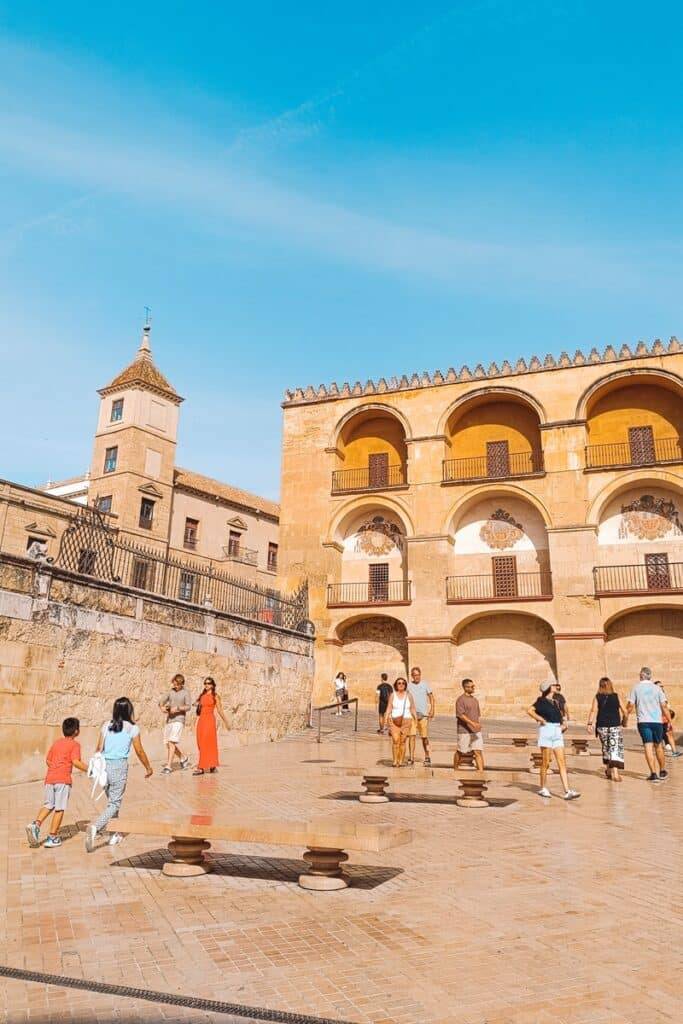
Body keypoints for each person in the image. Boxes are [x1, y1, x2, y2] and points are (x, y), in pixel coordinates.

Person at [85, 697, 153, 852]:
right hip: (119, 767)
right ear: (129, 710)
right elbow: (139, 750)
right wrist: (148, 767)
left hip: (104, 768)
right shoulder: (133, 728)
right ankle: (96, 827)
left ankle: (114, 834)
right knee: (115, 803)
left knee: (112, 801)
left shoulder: (106, 725)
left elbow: (98, 748)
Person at [26, 717, 87, 849]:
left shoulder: (57, 743)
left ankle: (35, 825)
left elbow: (48, 760)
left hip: (50, 779)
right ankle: (52, 837)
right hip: (63, 780)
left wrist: (55, 768)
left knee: (48, 804)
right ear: (76, 731)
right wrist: (90, 770)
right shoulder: (75, 745)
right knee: (59, 808)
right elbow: (76, 762)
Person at [526, 682, 580, 800]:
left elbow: (559, 716)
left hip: (557, 731)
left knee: (562, 762)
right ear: (548, 688)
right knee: (546, 762)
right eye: (553, 685)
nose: (556, 686)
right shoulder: (541, 701)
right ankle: (543, 788)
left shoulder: (555, 701)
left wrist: (563, 724)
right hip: (547, 730)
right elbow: (529, 710)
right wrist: (540, 719)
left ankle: (567, 790)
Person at [624, 667, 671, 782]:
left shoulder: (636, 688)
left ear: (641, 675)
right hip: (657, 722)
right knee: (658, 745)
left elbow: (630, 706)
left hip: (644, 721)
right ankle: (662, 771)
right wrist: (669, 721)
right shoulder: (657, 688)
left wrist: (625, 717)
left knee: (648, 746)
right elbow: (664, 706)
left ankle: (653, 773)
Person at [586, 677, 627, 782]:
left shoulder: (597, 697)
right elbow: (625, 711)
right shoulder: (616, 696)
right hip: (614, 725)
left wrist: (589, 723)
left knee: (606, 746)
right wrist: (624, 721)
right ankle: (615, 774)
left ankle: (609, 770)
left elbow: (593, 710)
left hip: (602, 726)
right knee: (614, 747)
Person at [193, 677, 230, 775]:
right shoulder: (202, 696)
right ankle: (212, 765)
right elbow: (197, 708)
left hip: (209, 721)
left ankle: (201, 767)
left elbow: (220, 710)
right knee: (200, 742)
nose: (206, 685)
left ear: (213, 685)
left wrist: (226, 722)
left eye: (209, 683)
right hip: (201, 721)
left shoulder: (216, 696)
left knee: (206, 743)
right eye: (205, 683)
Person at [159, 673, 191, 773]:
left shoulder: (186, 693)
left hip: (179, 720)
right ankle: (183, 758)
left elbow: (188, 706)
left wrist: (177, 708)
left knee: (171, 742)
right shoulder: (170, 692)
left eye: (177, 684)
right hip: (170, 720)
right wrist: (162, 707)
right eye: (174, 684)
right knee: (168, 743)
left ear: (181, 683)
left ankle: (168, 766)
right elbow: (161, 702)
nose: (175, 686)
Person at [384, 677, 417, 768]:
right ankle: (395, 761)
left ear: (405, 685)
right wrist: (386, 718)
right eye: (399, 683)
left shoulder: (409, 695)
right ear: (396, 685)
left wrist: (415, 718)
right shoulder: (393, 695)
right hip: (394, 720)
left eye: (403, 683)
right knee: (395, 740)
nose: (401, 685)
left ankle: (401, 760)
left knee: (403, 741)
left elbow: (412, 708)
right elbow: (389, 707)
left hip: (407, 720)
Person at [407, 666, 435, 766]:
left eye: (418, 675)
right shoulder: (408, 686)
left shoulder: (425, 684)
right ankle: (411, 757)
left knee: (424, 738)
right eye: (415, 675)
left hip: (423, 715)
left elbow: (431, 697)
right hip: (412, 715)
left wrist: (432, 709)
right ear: (412, 676)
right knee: (412, 736)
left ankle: (427, 756)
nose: (417, 677)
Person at [455, 679, 485, 771]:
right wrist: (472, 723)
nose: (473, 688)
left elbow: (477, 715)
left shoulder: (475, 700)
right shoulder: (460, 700)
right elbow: (461, 715)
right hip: (464, 731)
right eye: (471, 686)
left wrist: (478, 725)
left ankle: (481, 773)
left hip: (476, 731)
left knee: (478, 751)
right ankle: (455, 769)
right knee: (461, 751)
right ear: (465, 687)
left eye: (473, 686)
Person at [655, 680, 681, 757]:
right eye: (660, 686)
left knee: (669, 735)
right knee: (659, 737)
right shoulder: (655, 696)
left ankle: (674, 751)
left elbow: (666, 707)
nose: (662, 687)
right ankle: (660, 753)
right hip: (658, 720)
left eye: (662, 686)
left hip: (665, 719)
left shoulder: (663, 695)